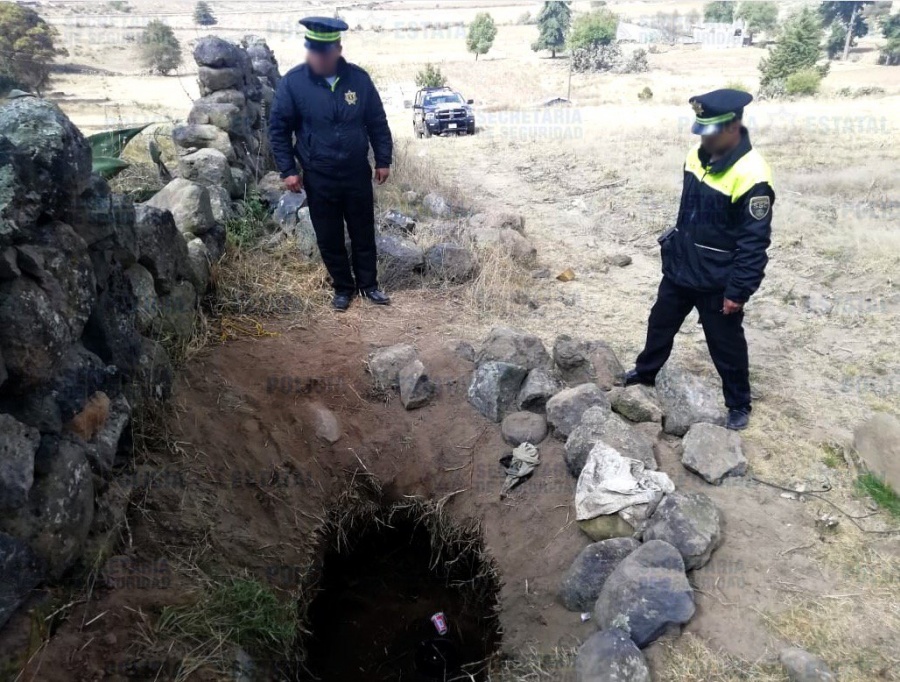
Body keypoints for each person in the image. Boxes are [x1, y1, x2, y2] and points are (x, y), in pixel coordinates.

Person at [624, 89, 775, 431]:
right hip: (681, 268)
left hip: (717, 280)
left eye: (712, 132)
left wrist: (738, 292)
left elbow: (755, 243)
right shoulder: (697, 155)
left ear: (734, 126)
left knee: (726, 345)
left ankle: (738, 403)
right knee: (659, 323)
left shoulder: (753, 175)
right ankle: (645, 372)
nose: (705, 138)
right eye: (702, 131)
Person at [269, 17, 393, 311]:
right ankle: (343, 288)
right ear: (308, 49)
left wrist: (383, 160)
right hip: (319, 175)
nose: (318, 58)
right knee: (329, 234)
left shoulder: (359, 80)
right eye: (313, 51)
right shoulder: (293, 83)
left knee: (363, 230)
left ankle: (369, 285)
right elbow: (278, 128)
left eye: (324, 52)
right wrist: (288, 170)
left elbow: (377, 121)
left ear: (338, 49)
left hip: (355, 173)